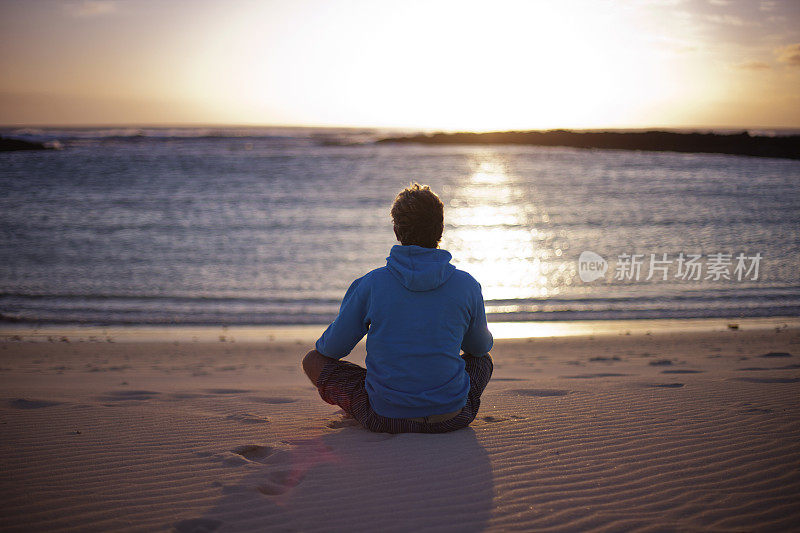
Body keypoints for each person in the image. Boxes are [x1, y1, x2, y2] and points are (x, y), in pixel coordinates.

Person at [302, 183, 493, 433]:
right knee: (483, 360)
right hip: (452, 417)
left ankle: (364, 406)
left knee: (312, 361)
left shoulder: (372, 283)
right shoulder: (466, 284)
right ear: (440, 229)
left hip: (384, 417)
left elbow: (330, 349)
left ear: (396, 230)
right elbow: (479, 348)